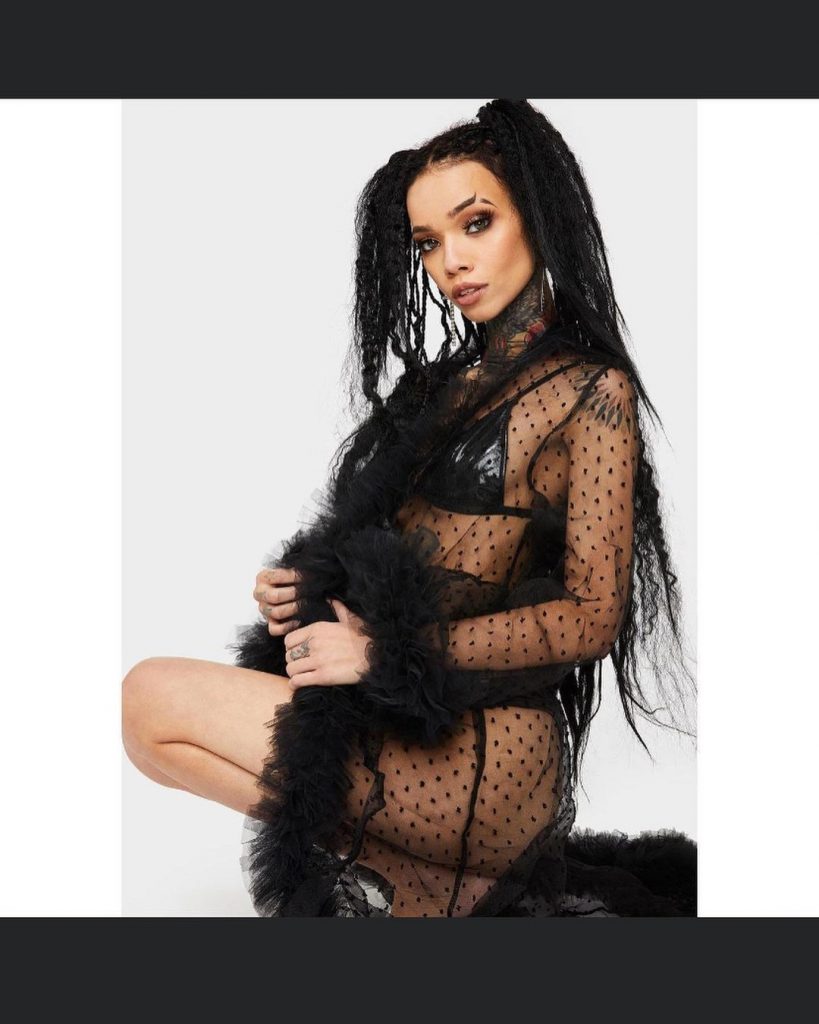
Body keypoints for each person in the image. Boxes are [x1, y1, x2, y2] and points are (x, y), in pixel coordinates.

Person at [122, 98, 697, 917]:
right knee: (151, 739)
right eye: (428, 242)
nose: (451, 261)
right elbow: (413, 561)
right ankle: (432, 891)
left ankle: (437, 882)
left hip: (485, 754)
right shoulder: (443, 388)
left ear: (535, 218)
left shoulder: (589, 392)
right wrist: (309, 593)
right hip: (414, 728)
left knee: (150, 695)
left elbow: (589, 615)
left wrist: (384, 653)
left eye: (476, 223)